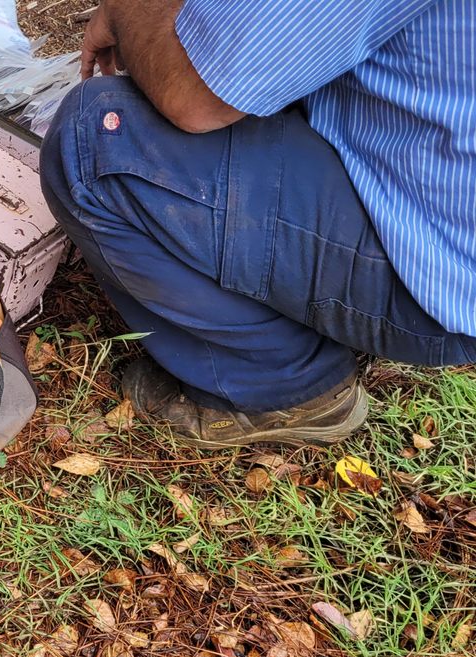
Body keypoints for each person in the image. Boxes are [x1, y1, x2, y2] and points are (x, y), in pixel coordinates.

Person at [40, 0, 476, 448]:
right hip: (448, 238)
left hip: (435, 278)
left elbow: (192, 95)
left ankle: (281, 383)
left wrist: (125, 9)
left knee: (93, 138)